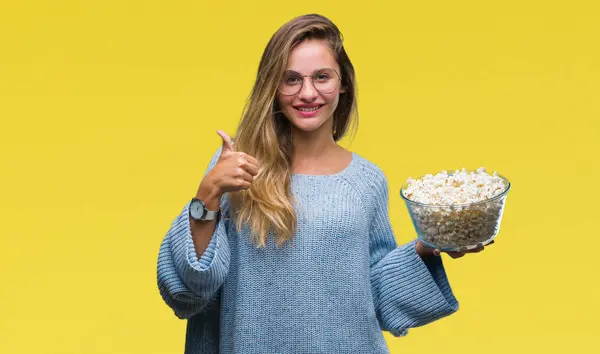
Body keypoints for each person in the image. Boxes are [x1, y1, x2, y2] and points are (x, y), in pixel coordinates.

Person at [156, 13, 489, 354]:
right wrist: (208, 193)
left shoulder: (366, 181)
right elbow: (188, 292)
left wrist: (427, 247)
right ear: (273, 86)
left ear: (343, 83)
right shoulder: (238, 167)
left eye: (321, 77)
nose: (308, 92)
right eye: (291, 79)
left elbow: (376, 300)